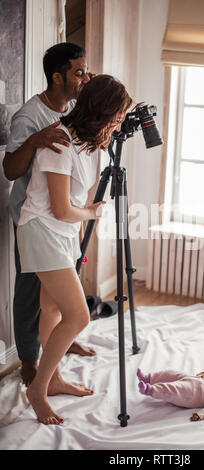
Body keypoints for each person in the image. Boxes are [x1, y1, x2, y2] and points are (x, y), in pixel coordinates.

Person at [16, 74, 133, 425]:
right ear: (101, 112)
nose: (117, 125)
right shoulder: (61, 142)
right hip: (42, 231)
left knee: (51, 308)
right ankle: (37, 388)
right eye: (115, 118)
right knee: (79, 315)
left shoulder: (84, 143)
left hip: (61, 233)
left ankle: (53, 381)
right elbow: (62, 207)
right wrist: (93, 213)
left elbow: (73, 202)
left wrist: (84, 213)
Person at [3, 42, 97, 387]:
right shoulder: (29, 117)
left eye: (86, 70)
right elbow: (11, 169)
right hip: (34, 218)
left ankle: (61, 341)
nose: (84, 77)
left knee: (59, 292)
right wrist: (34, 141)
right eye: (78, 71)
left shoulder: (73, 106)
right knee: (29, 291)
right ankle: (30, 362)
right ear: (57, 77)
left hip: (62, 218)